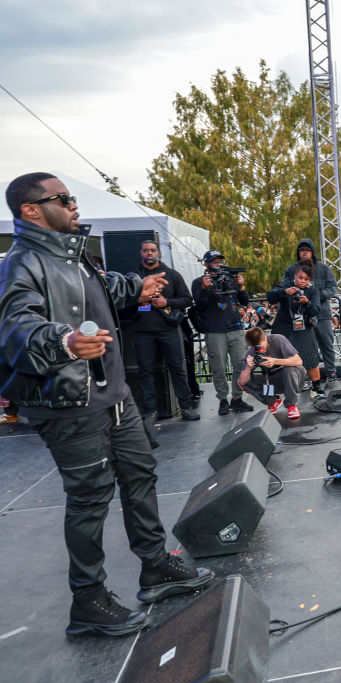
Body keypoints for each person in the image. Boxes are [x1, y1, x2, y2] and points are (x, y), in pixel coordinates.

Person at [0, 172, 213, 636]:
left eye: (72, 197)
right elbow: (16, 330)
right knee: (90, 499)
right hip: (72, 403)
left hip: (115, 396)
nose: (74, 205)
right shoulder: (22, 262)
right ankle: (88, 601)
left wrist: (138, 286)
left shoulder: (71, 253)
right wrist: (65, 341)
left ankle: (155, 566)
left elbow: (97, 292)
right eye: (62, 198)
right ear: (31, 210)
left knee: (140, 476)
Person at [125, 240, 198, 423]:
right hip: (142, 331)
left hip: (169, 330)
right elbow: (121, 304)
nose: (149, 253)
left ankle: (186, 407)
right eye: (146, 250)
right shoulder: (133, 277)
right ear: (140, 253)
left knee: (177, 369)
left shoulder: (172, 275)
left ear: (159, 253)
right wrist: (139, 300)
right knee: (145, 372)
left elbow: (187, 299)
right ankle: (150, 411)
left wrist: (167, 302)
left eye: (153, 250)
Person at [191, 249, 252, 416]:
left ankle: (237, 399)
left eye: (220, 261)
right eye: (215, 261)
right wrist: (204, 288)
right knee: (218, 367)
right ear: (206, 264)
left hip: (235, 328)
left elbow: (245, 301)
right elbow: (199, 305)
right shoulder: (199, 282)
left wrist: (241, 286)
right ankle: (223, 399)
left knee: (240, 364)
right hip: (214, 331)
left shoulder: (231, 279)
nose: (219, 264)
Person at [277, 238, 339, 381]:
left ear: (312, 252)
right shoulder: (291, 270)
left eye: (307, 250)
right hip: (300, 316)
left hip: (321, 313)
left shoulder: (324, 269)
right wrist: (291, 291)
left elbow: (332, 287)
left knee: (326, 343)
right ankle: (303, 377)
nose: (304, 253)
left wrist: (317, 296)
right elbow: (283, 287)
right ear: (298, 252)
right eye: (301, 250)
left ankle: (332, 373)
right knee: (301, 347)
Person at [267, 263, 323, 393]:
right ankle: (273, 388)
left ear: (309, 280)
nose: (302, 281)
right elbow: (270, 296)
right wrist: (284, 292)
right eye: (300, 277)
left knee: (310, 356)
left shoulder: (313, 291)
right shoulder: (286, 286)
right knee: (276, 356)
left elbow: (316, 310)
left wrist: (307, 303)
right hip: (283, 328)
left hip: (304, 328)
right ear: (295, 276)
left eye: (306, 279)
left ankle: (317, 386)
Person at [236, 326, 306, 418]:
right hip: (271, 381)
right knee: (241, 382)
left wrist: (274, 361)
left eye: (261, 347)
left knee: (289, 369)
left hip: (292, 379)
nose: (260, 351)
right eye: (256, 349)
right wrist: (249, 367)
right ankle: (273, 401)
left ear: (265, 338)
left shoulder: (278, 340)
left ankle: (291, 405)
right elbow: (242, 382)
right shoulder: (251, 352)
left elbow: (298, 361)